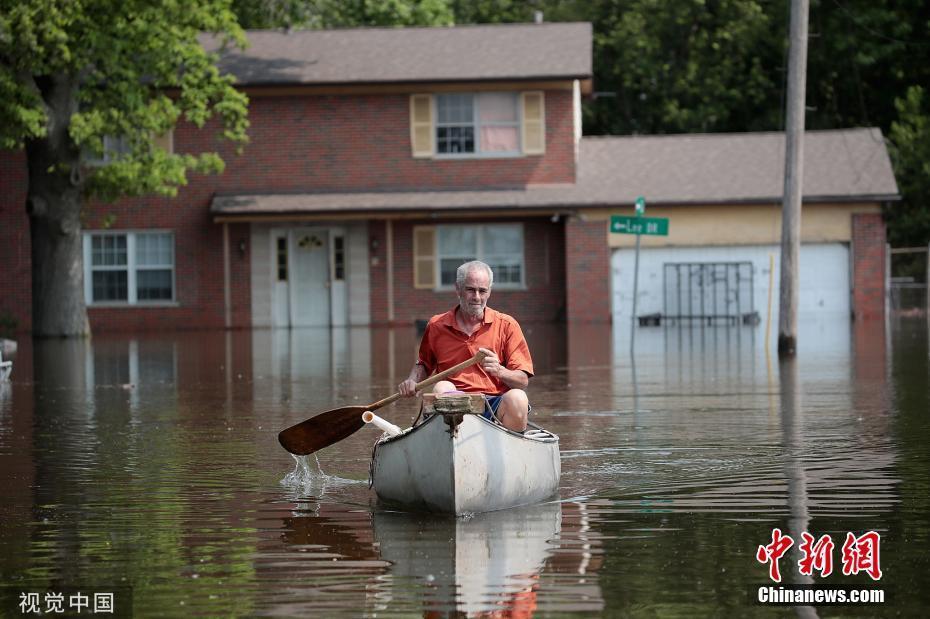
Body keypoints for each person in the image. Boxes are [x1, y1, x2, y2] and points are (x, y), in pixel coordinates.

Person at [398, 260, 533, 432]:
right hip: (455, 403)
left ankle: (511, 450)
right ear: (458, 289)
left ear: (489, 292)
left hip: (495, 405)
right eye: (470, 289)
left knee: (519, 398)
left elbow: (522, 381)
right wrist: (412, 382)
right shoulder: (436, 325)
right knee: (441, 388)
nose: (477, 297)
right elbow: (423, 364)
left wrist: (499, 371)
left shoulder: (507, 325)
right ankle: (453, 440)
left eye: (482, 291)